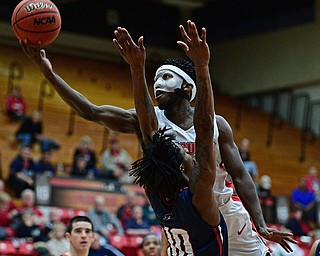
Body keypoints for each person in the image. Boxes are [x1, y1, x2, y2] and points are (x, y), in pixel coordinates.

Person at [21, 20, 297, 254]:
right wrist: (49, 73)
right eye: (154, 79)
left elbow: (240, 175)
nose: (157, 84)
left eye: (165, 77)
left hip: (223, 209)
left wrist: (260, 223)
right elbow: (90, 111)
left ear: (187, 88)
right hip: (183, 214)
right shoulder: (147, 120)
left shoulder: (216, 124)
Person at [123, 20, 228, 255]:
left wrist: (136, 69)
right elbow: (204, 130)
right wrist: (202, 67)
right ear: (183, 166)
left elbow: (149, 134)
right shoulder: (201, 195)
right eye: (183, 151)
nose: (188, 152)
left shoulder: (154, 193)